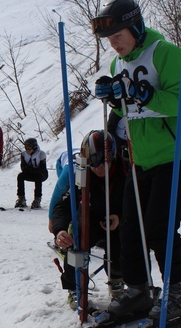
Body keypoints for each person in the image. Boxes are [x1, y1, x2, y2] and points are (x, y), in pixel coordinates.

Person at [92, 0, 181, 322]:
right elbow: (130, 112)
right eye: (109, 39)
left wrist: (143, 93)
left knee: (159, 229)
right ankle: (139, 289)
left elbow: (180, 103)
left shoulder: (166, 53)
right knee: (130, 229)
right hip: (141, 158)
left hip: (175, 154)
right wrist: (114, 100)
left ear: (136, 27)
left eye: (119, 35)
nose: (114, 43)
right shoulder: (117, 65)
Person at [51, 130, 126, 308]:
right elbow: (62, 206)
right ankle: (74, 287)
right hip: (89, 219)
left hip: (119, 221)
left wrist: (120, 218)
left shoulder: (127, 172)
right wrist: (59, 230)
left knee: (122, 241)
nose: (98, 168)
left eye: (103, 162)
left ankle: (117, 280)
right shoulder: (82, 176)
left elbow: (141, 205)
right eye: (93, 163)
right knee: (75, 238)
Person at [15, 138, 48, 208]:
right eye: (26, 148)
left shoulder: (41, 154)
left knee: (38, 178)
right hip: (30, 172)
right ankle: (21, 198)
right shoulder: (24, 154)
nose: (28, 150)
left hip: (41, 173)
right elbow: (23, 167)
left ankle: (37, 199)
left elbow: (42, 168)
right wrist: (28, 169)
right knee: (20, 176)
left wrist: (33, 170)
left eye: (29, 148)